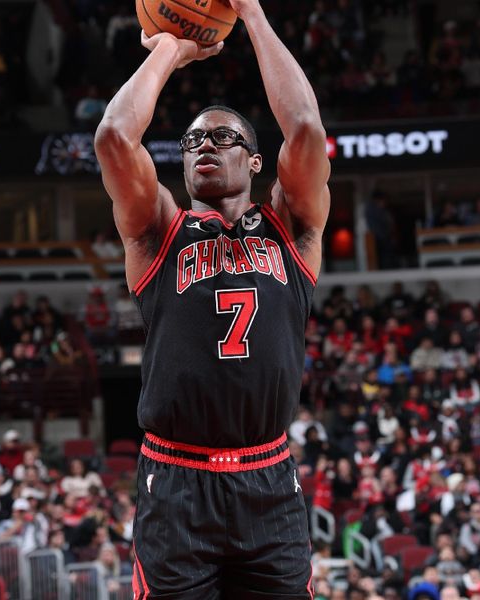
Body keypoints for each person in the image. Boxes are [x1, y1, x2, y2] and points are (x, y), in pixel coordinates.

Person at [93, 0, 331, 595]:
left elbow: (304, 127)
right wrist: (171, 49)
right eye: (193, 139)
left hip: (268, 482)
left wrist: (250, 13)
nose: (205, 145)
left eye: (224, 138)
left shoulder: (292, 224)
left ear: (254, 161)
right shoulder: (158, 230)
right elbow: (116, 137)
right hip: (175, 484)